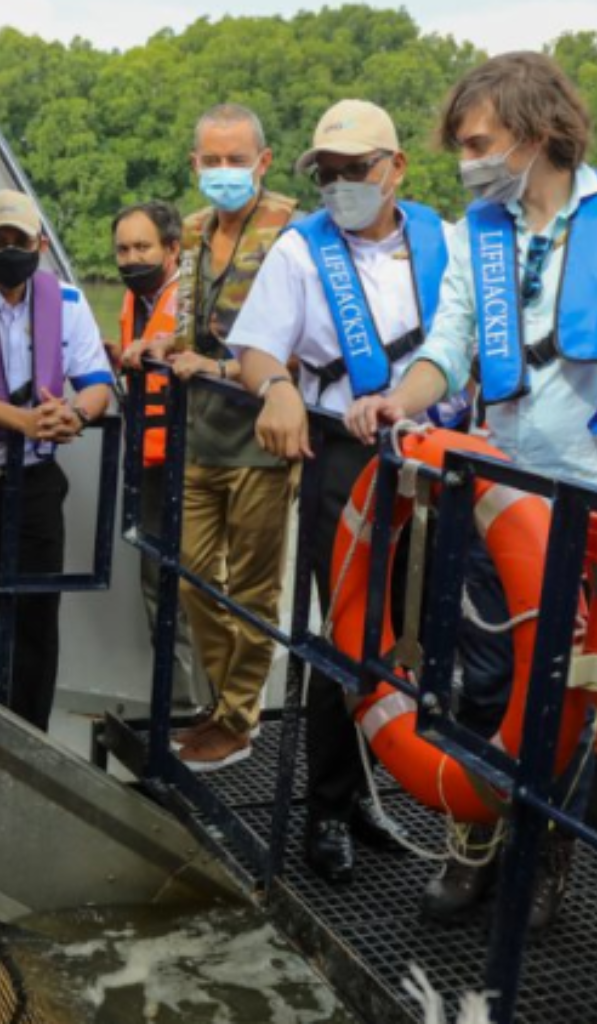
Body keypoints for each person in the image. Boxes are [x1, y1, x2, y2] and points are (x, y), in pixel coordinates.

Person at [231, 99, 510, 883]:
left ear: (395, 169)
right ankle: (329, 804)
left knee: (429, 627)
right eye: (325, 172)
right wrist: (277, 387)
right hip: (346, 456)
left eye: (355, 169)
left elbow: (479, 337)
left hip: (437, 454)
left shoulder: (447, 239)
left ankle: (378, 789)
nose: (340, 184)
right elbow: (255, 346)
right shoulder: (299, 249)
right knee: (353, 633)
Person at [346, 52, 595, 930]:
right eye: (460, 145)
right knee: (483, 675)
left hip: (589, 503)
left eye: (480, 142)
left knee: (573, 697)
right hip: (500, 492)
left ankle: (545, 851)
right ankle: (476, 838)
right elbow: (448, 345)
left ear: (535, 131)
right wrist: (394, 401)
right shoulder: (479, 234)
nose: (468, 159)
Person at [0, 189, 113, 731]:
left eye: (20, 240)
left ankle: (32, 735)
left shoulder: (69, 303)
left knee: (35, 613)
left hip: (34, 482)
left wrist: (75, 414)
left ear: (42, 245)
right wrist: (28, 422)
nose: (10, 249)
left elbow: (97, 383)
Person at [151, 103, 298, 772]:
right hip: (200, 437)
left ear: (263, 163)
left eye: (237, 160)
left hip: (261, 441)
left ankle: (238, 718)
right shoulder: (189, 231)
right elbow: (189, 324)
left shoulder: (293, 231)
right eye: (211, 160)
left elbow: (300, 342)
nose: (224, 172)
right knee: (189, 580)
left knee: (255, 590)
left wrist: (215, 366)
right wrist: (162, 347)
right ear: (194, 165)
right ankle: (228, 701)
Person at [114, 200, 202, 709]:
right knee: (159, 585)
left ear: (172, 249)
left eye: (142, 247)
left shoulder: (193, 300)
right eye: (123, 249)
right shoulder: (135, 302)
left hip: (190, 467)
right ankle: (180, 703)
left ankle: (194, 711)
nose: (130, 258)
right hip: (149, 467)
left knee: (189, 588)